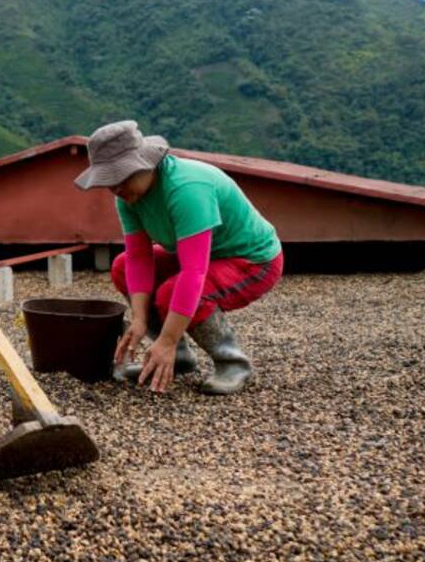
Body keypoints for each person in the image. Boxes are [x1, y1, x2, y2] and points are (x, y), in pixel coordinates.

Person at [75, 120, 284, 395]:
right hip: (205, 257)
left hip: (252, 260)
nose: (116, 188)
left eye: (121, 177)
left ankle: (232, 362)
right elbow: (138, 257)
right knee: (122, 266)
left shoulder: (187, 188)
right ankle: (179, 357)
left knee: (172, 293)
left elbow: (193, 272)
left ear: (144, 164)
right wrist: (139, 320)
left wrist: (168, 338)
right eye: (109, 181)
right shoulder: (128, 197)